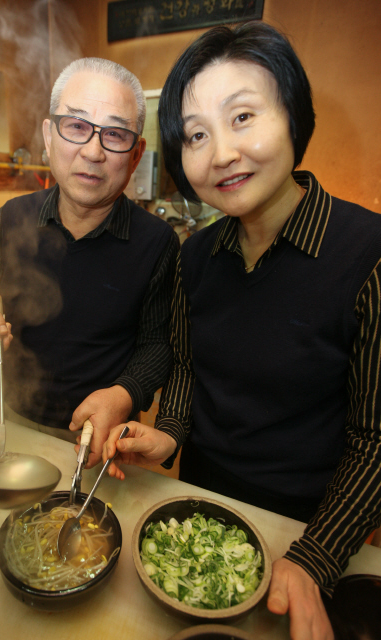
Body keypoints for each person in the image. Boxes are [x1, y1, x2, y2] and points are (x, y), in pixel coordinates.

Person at [103, 23, 381, 640]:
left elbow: (376, 441)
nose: (221, 152)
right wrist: (167, 434)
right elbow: (186, 367)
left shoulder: (369, 256)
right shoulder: (194, 256)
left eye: (244, 116)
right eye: (197, 135)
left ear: (294, 116)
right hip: (203, 513)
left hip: (308, 529)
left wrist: (317, 555)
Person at [0, 57, 179, 466]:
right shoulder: (12, 218)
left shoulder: (158, 241)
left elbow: (157, 345)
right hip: (14, 419)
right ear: (49, 136)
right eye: (76, 126)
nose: (92, 152)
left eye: (115, 134)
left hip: (103, 437)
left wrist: (123, 394)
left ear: (135, 152)